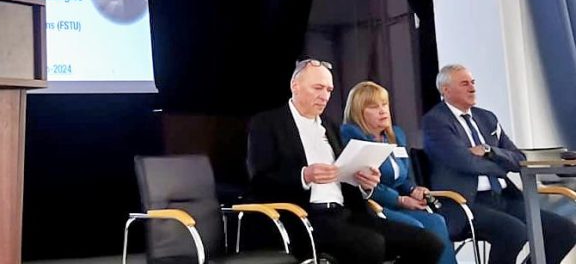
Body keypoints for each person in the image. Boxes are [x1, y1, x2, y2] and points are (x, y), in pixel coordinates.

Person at [247, 59, 444, 264]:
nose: (325, 96)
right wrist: (304, 176)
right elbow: (259, 181)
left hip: (346, 214)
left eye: (329, 90)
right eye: (318, 88)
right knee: (370, 244)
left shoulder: (330, 126)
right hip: (303, 217)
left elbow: (345, 177)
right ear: (295, 86)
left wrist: (363, 183)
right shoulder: (268, 123)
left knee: (429, 243)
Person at [422, 64, 576, 264]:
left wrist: (490, 151)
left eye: (473, 82)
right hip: (465, 202)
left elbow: (519, 159)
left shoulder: (487, 117)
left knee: (564, 231)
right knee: (514, 232)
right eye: (464, 84)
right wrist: (502, 165)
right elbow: (466, 163)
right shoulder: (435, 121)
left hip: (503, 198)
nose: (472, 88)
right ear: (446, 90)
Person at [341, 81, 456, 264]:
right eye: (374, 107)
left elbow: (405, 176)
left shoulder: (396, 134)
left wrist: (413, 190)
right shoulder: (351, 135)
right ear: (358, 112)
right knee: (416, 228)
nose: (383, 111)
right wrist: (400, 200)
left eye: (384, 104)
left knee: (437, 221)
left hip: (400, 204)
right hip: (373, 205)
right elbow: (364, 182)